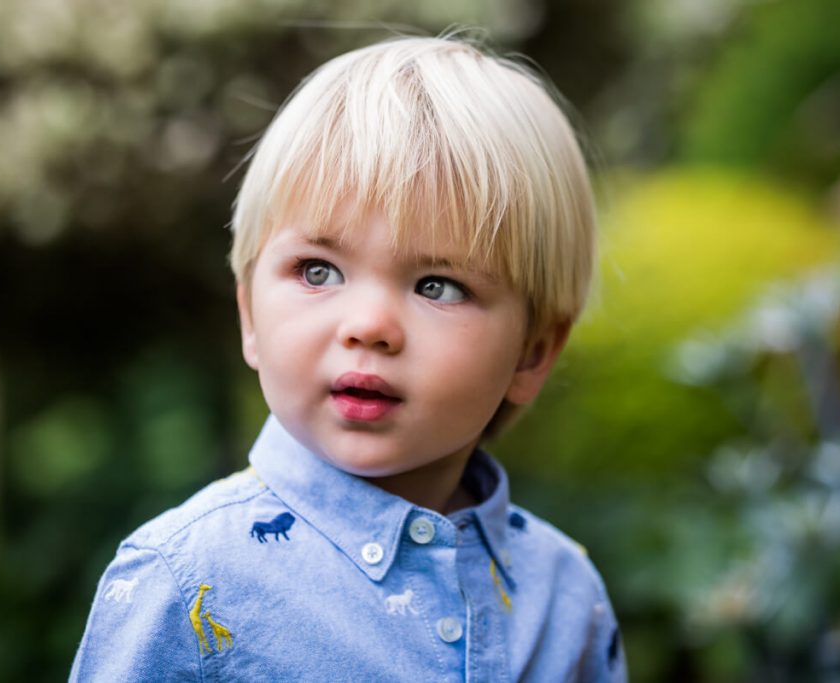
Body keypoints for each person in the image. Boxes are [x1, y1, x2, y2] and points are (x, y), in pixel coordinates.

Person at [70, 34, 626, 682]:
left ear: (533, 352)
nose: (368, 326)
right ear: (250, 313)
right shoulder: (184, 579)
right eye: (318, 270)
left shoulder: (563, 596)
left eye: (438, 286)